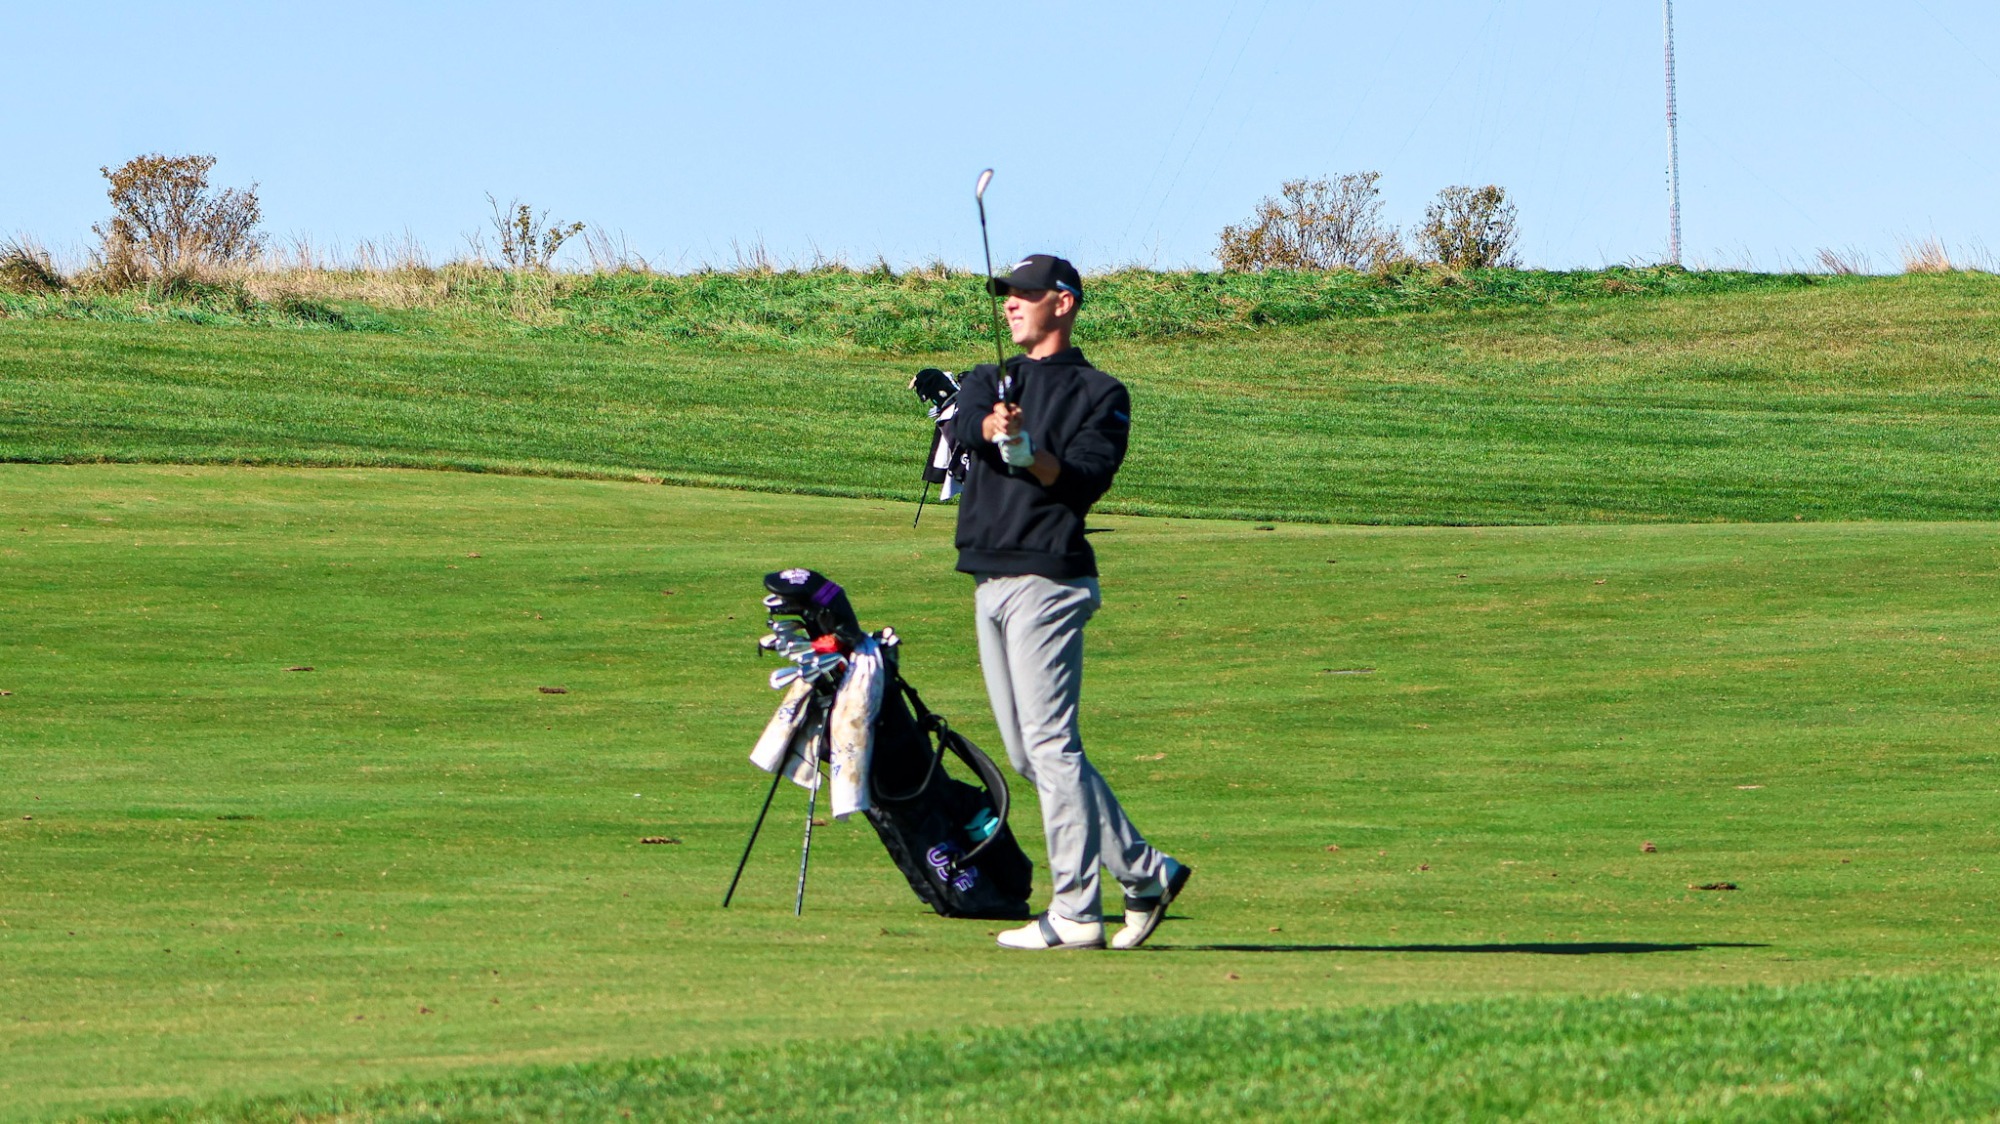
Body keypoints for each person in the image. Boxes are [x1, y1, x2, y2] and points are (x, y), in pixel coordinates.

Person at [951, 253, 1190, 951]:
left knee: (1053, 746)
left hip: (1049, 581)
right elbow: (967, 427)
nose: (1010, 305)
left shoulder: (1101, 391)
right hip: (987, 577)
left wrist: (1029, 452)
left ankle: (1077, 912)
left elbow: (1083, 478)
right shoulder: (984, 380)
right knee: (1031, 755)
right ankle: (1146, 873)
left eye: (1025, 295)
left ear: (1064, 302)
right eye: (1007, 295)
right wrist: (998, 431)